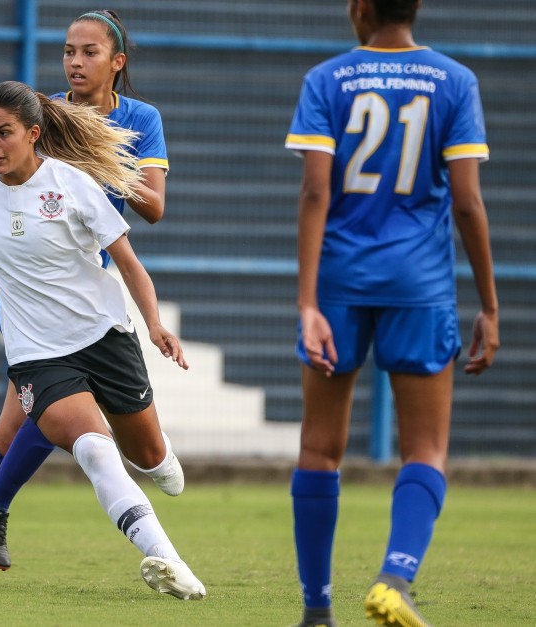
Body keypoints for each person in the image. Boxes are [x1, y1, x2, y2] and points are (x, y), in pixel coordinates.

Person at [0, 9, 180, 583]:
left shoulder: (139, 120)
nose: (74, 61)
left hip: (87, 295)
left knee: (23, 428)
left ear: (116, 63)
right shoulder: (40, 115)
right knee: (57, 420)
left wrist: (98, 164)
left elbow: (153, 206)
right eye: (68, 50)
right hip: (32, 295)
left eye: (89, 52)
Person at [284, 1, 499, 625]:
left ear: (359, 8)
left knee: (320, 448)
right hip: (420, 284)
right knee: (425, 448)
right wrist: (487, 304)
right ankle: (395, 577)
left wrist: (306, 303)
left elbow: (316, 191)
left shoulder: (327, 79)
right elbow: (467, 204)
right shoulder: (456, 81)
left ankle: (317, 610)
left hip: (339, 284)